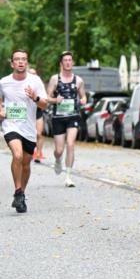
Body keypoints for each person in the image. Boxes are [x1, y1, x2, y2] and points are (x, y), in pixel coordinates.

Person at [0, 50, 48, 213]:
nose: (21, 62)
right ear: (12, 63)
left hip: (29, 128)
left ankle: (21, 194)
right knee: (17, 155)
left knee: (26, 163)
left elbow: (44, 104)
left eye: (24, 59)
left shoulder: (35, 81)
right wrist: (1, 109)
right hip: (11, 125)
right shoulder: (4, 82)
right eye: (17, 59)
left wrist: (34, 98)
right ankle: (17, 191)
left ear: (27, 62)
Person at [45, 51, 87, 187]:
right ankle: (58, 160)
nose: (68, 62)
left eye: (70, 60)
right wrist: (55, 100)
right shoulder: (54, 79)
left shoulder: (79, 80)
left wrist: (83, 101)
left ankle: (68, 176)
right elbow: (46, 98)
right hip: (58, 117)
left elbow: (83, 96)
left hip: (73, 116)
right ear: (61, 63)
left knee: (70, 144)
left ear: (72, 63)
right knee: (59, 150)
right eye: (65, 60)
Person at [29, 65, 46, 162]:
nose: (32, 75)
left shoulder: (39, 86)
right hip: (26, 114)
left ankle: (38, 153)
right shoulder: (23, 85)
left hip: (37, 112)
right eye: (30, 74)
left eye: (34, 74)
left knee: (39, 134)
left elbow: (44, 101)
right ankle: (29, 151)